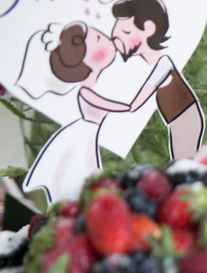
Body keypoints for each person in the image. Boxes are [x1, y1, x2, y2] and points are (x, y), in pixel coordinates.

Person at [23, 22, 130, 203]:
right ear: (92, 57)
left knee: (83, 172)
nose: (107, 38)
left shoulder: (99, 83)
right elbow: (111, 105)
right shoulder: (86, 90)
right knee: (76, 172)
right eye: (98, 38)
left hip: (89, 134)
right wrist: (130, 106)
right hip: (84, 135)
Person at [111, 0, 204, 160]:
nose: (120, 40)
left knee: (184, 162)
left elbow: (137, 101)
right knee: (181, 161)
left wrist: (120, 107)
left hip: (185, 118)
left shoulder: (163, 64)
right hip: (177, 119)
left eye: (126, 32)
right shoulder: (150, 65)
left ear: (148, 28)